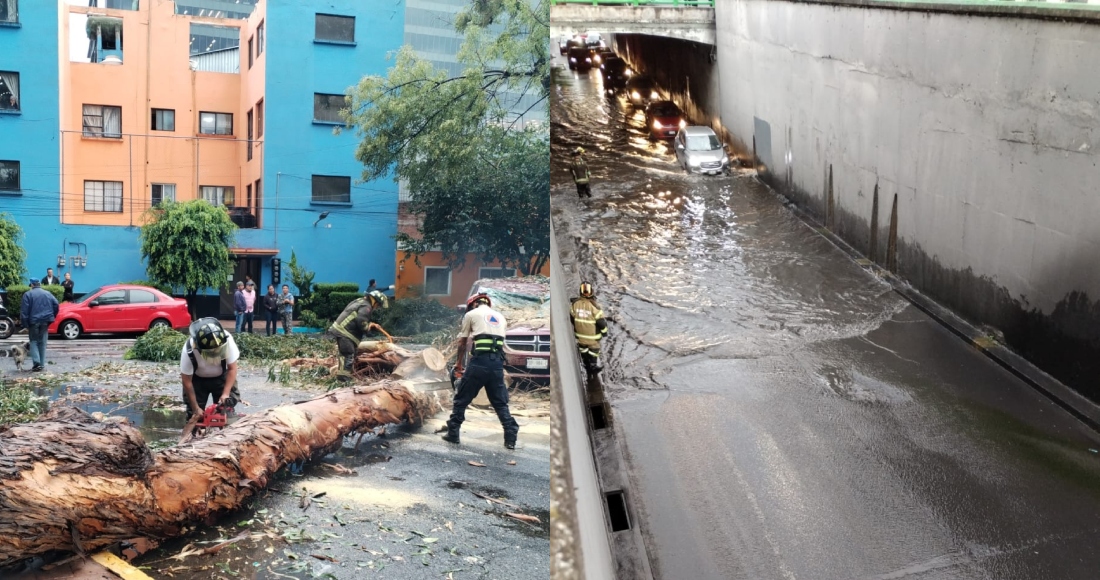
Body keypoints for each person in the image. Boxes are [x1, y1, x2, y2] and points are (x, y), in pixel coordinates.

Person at [441, 293, 519, 450]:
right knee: (500, 403)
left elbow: (463, 342)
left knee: (461, 398)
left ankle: (453, 433)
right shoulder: (500, 317)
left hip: (479, 363)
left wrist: (458, 364)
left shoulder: (471, 314)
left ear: (473, 304)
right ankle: (510, 437)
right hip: (497, 364)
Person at [179, 318, 242, 421]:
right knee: (195, 416)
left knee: (225, 412)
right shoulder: (189, 350)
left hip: (222, 377)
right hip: (197, 380)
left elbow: (232, 369)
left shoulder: (227, 340)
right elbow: (187, 381)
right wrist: (195, 408)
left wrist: (225, 393)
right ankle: (195, 433)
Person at [327, 290, 389, 379]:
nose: (377, 307)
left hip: (342, 331)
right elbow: (361, 321)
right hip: (345, 333)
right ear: (374, 300)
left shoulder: (360, 301)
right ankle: (343, 379)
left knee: (347, 355)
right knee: (348, 355)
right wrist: (368, 330)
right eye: (378, 304)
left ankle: (343, 376)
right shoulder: (367, 307)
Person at [570, 281, 608, 381]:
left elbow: (572, 318)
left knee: (583, 349)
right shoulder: (595, 307)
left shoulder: (575, 304)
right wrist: (604, 332)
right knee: (594, 350)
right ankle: (593, 366)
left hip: (579, 335)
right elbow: (601, 323)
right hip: (593, 337)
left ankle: (586, 362)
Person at [20, 278, 59, 373]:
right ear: (39, 284)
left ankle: (36, 362)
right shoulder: (48, 293)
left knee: (33, 341)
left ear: (32, 285)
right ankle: (41, 364)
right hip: (46, 320)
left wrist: (25, 324)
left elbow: (24, 311)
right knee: (42, 342)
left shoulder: (28, 294)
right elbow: (56, 305)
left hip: (33, 321)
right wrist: (52, 316)